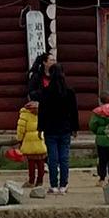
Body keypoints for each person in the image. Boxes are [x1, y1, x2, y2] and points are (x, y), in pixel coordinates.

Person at [37, 63, 78, 194]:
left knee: (53, 158)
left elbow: (42, 112)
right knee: (64, 157)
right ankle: (63, 185)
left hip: (50, 129)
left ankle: (53, 185)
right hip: (65, 128)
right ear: (63, 74)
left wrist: (40, 128)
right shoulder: (69, 92)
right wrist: (75, 128)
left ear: (50, 75)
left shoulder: (46, 92)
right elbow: (74, 112)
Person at [89, 90, 109, 187]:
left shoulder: (97, 112)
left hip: (101, 141)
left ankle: (102, 179)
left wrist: (98, 132)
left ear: (100, 101)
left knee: (102, 160)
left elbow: (92, 125)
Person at [16, 100, 46, 188]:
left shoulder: (24, 114)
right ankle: (40, 181)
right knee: (41, 162)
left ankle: (31, 181)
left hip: (29, 141)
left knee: (31, 163)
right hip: (40, 139)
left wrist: (20, 139)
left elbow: (21, 129)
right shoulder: (42, 113)